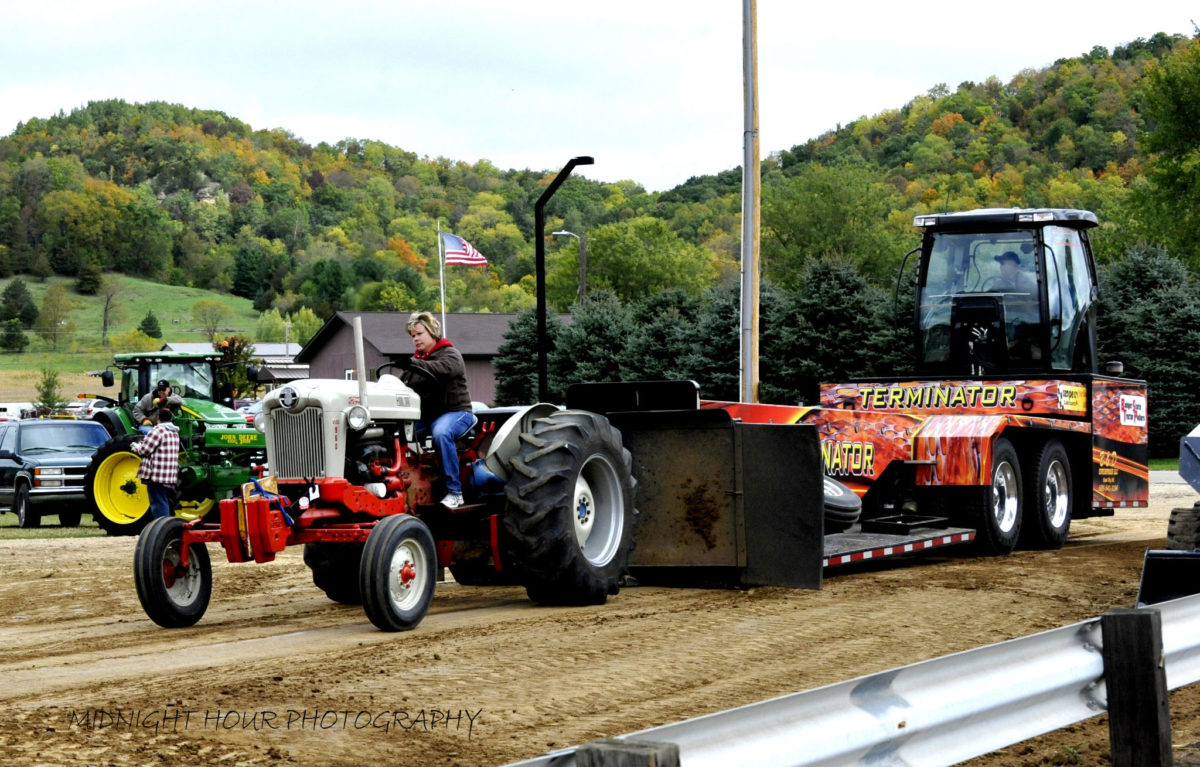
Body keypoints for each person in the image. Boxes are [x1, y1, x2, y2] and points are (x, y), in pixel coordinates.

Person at [395, 311, 476, 509]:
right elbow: (401, 383)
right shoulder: (417, 361)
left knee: (441, 433)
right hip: (429, 417)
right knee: (395, 433)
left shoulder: (450, 354)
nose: (415, 339)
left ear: (432, 333)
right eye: (413, 336)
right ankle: (397, 483)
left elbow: (440, 368)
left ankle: (455, 492)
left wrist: (414, 364)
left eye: (419, 334)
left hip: (458, 413)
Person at [131, 408, 180, 521]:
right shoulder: (175, 433)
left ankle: (161, 527)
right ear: (171, 419)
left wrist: (137, 447)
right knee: (164, 500)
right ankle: (167, 524)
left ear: (158, 419)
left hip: (156, 474)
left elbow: (145, 450)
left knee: (158, 503)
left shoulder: (157, 431)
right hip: (169, 474)